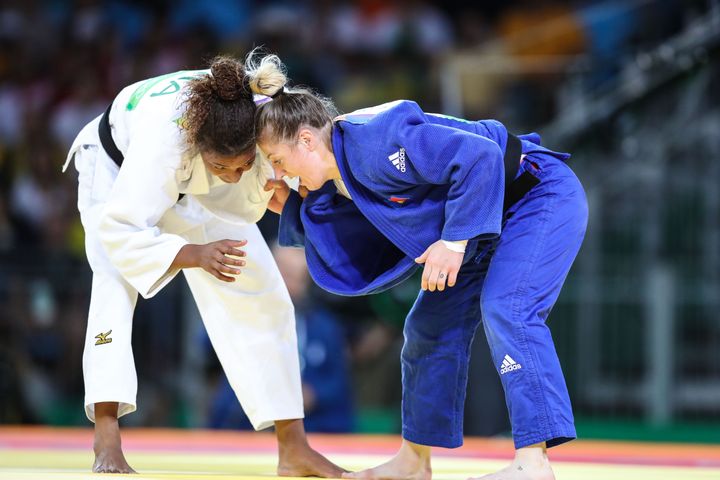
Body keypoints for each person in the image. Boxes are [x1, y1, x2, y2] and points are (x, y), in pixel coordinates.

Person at [259, 87, 588, 480]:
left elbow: (480, 157)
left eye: (278, 160)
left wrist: (453, 241)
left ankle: (533, 464)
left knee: (509, 308)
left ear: (307, 140)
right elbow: (354, 237)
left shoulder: (376, 139)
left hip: (533, 194)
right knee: (427, 328)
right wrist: (293, 208)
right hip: (477, 223)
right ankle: (413, 462)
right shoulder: (338, 173)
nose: (279, 173)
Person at [62, 51, 345, 477]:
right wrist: (192, 255)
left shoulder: (256, 117)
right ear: (199, 146)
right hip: (116, 168)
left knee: (263, 287)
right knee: (114, 285)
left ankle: (293, 447)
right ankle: (107, 440)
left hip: (196, 179)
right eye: (225, 167)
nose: (235, 174)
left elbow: (250, 170)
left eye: (243, 166)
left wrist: (272, 185)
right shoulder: (165, 143)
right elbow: (119, 232)